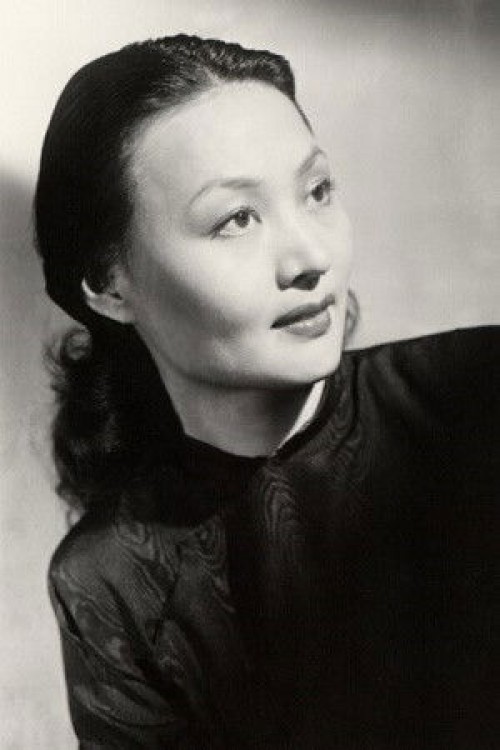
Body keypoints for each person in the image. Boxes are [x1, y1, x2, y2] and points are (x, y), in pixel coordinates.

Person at [34, 35, 499, 749]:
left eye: (317, 192)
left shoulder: (476, 399)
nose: (312, 257)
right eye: (237, 220)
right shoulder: (112, 582)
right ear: (109, 285)